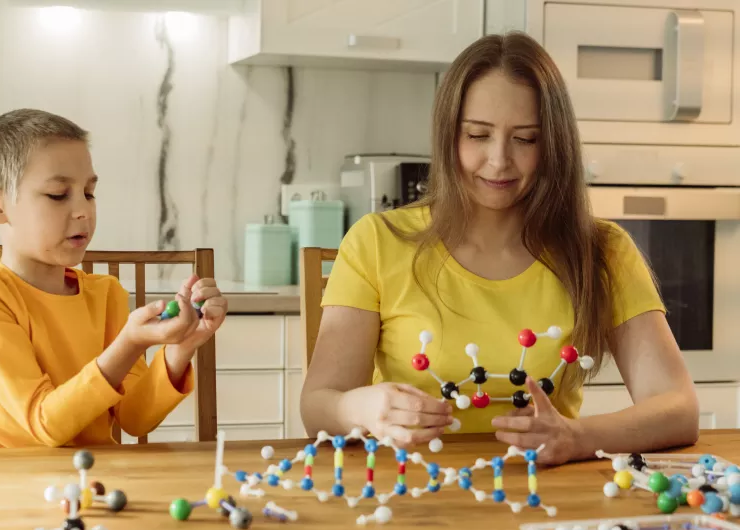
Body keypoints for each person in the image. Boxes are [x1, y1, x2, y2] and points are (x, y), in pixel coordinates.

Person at [299, 32, 699, 465]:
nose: (498, 159)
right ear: (449, 135)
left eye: (525, 139)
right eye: (477, 134)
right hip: (413, 500)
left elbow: (678, 408)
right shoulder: (376, 242)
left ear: (553, 146)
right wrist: (362, 409)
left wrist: (576, 436)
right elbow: (318, 406)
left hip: (545, 499)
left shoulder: (602, 251)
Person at [0, 108, 227, 449]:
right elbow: (44, 424)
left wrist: (180, 349)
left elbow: (135, 418)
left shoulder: (105, 293)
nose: (83, 210)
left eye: (89, 192)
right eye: (58, 194)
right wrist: (130, 343)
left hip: (91, 483)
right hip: (8, 491)